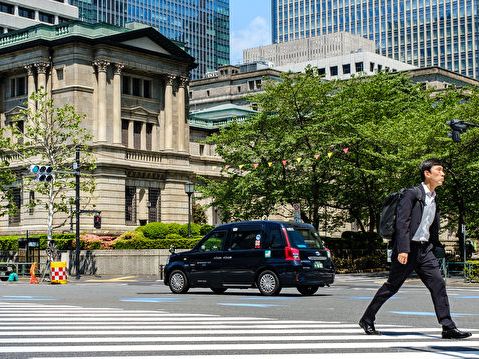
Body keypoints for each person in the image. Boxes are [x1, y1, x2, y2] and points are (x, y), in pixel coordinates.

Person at [359, 158, 471, 340]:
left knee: (438, 284)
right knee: (392, 286)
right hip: (407, 249)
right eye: (439, 170)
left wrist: (436, 247)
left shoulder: (434, 197)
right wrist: (402, 249)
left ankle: (448, 327)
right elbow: (402, 223)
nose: (443, 174)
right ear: (427, 173)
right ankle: (367, 319)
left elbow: (430, 225)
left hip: (424, 250)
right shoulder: (412, 194)